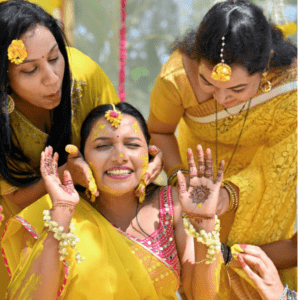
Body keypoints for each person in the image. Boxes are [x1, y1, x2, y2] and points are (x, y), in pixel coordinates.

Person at [0, 0, 162, 294]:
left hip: (92, 209)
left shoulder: (83, 74)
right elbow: (13, 200)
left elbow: (119, 135)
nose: (51, 78)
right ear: (4, 80)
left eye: (54, 57)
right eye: (30, 70)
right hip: (13, 228)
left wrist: (143, 154)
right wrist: (65, 174)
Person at [147, 0, 297, 297]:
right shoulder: (178, 78)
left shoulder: (291, 90)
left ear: (265, 63)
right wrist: (181, 179)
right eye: (208, 83)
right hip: (197, 179)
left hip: (264, 192)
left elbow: (279, 171)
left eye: (237, 89)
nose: (221, 97)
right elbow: (160, 131)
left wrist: (226, 197)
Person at [2, 102, 228, 299]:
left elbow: (202, 295)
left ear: (150, 154)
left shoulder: (172, 204)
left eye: (132, 145)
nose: (119, 156)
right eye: (102, 146)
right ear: (81, 158)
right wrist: (61, 212)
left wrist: (204, 222)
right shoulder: (56, 210)